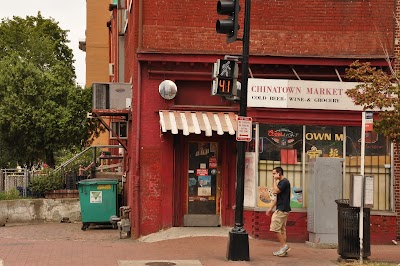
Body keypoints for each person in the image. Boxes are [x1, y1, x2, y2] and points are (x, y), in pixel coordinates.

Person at [266, 166, 291, 257]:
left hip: (282, 209)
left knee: (275, 227)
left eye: (274, 173)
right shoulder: (282, 182)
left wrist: (274, 180)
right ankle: (284, 249)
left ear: (279, 173)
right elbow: (277, 198)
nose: (273, 175)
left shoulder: (284, 182)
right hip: (282, 208)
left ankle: (284, 246)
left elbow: (276, 191)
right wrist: (270, 208)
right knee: (282, 230)